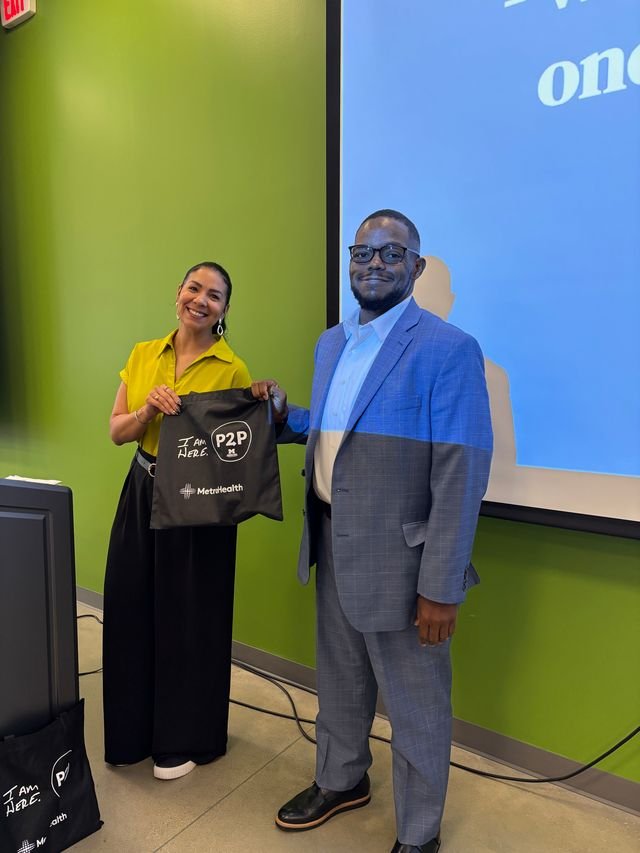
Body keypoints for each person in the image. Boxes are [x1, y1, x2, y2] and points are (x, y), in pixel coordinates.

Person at [252, 210, 493, 853]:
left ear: (415, 267)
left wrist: (441, 586)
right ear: (350, 263)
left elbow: (461, 472)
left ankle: (419, 835)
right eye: (363, 252)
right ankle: (342, 779)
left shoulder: (449, 349)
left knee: (415, 707)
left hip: (405, 561)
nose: (375, 263)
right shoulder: (332, 343)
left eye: (392, 253)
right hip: (331, 540)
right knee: (339, 681)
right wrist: (283, 414)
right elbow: (338, 427)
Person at [103, 261, 251, 780]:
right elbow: (118, 432)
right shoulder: (144, 353)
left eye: (215, 295)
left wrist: (265, 405)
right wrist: (148, 411)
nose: (201, 300)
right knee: (129, 604)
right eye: (195, 288)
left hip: (197, 501)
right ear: (179, 293)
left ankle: (183, 737)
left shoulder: (232, 369)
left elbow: (235, 454)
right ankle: (131, 732)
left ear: (224, 311)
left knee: (189, 619)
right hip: (142, 486)